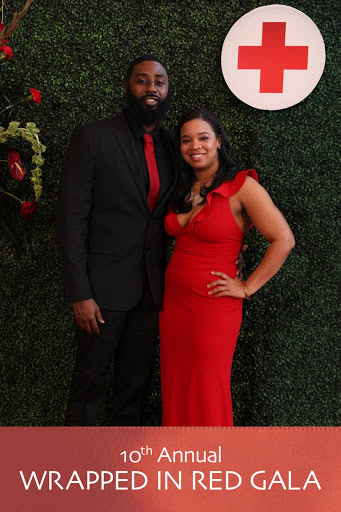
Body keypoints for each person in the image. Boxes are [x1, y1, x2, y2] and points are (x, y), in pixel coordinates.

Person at [56, 55, 177, 426]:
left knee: (133, 388)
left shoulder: (175, 146)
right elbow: (70, 220)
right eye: (142, 80)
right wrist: (80, 293)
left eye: (159, 81)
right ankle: (79, 471)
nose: (151, 88)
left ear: (167, 90)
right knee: (89, 384)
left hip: (151, 293)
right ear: (128, 87)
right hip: (101, 294)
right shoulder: (92, 137)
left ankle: (122, 472)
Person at [159, 108, 295, 427]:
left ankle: (212, 463)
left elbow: (283, 239)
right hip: (174, 306)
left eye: (204, 137)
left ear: (218, 141)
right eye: (186, 140)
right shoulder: (181, 187)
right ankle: (181, 460)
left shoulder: (242, 187)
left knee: (207, 385)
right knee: (176, 383)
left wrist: (246, 288)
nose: (196, 145)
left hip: (214, 306)